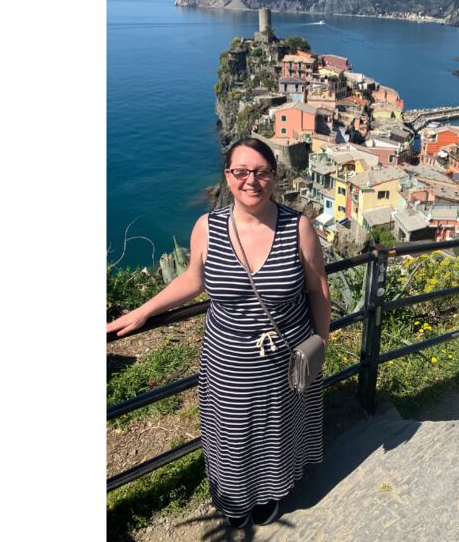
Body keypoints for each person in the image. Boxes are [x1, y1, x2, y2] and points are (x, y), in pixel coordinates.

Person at [107, 138, 330, 529]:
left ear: (274, 177)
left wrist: (320, 344)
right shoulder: (207, 227)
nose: (251, 181)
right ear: (228, 177)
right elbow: (193, 279)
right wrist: (142, 312)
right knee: (233, 438)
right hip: (228, 363)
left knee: (278, 431)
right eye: (241, 172)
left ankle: (269, 495)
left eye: (261, 172)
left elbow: (318, 289)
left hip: (287, 361)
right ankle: (236, 500)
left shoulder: (299, 228)